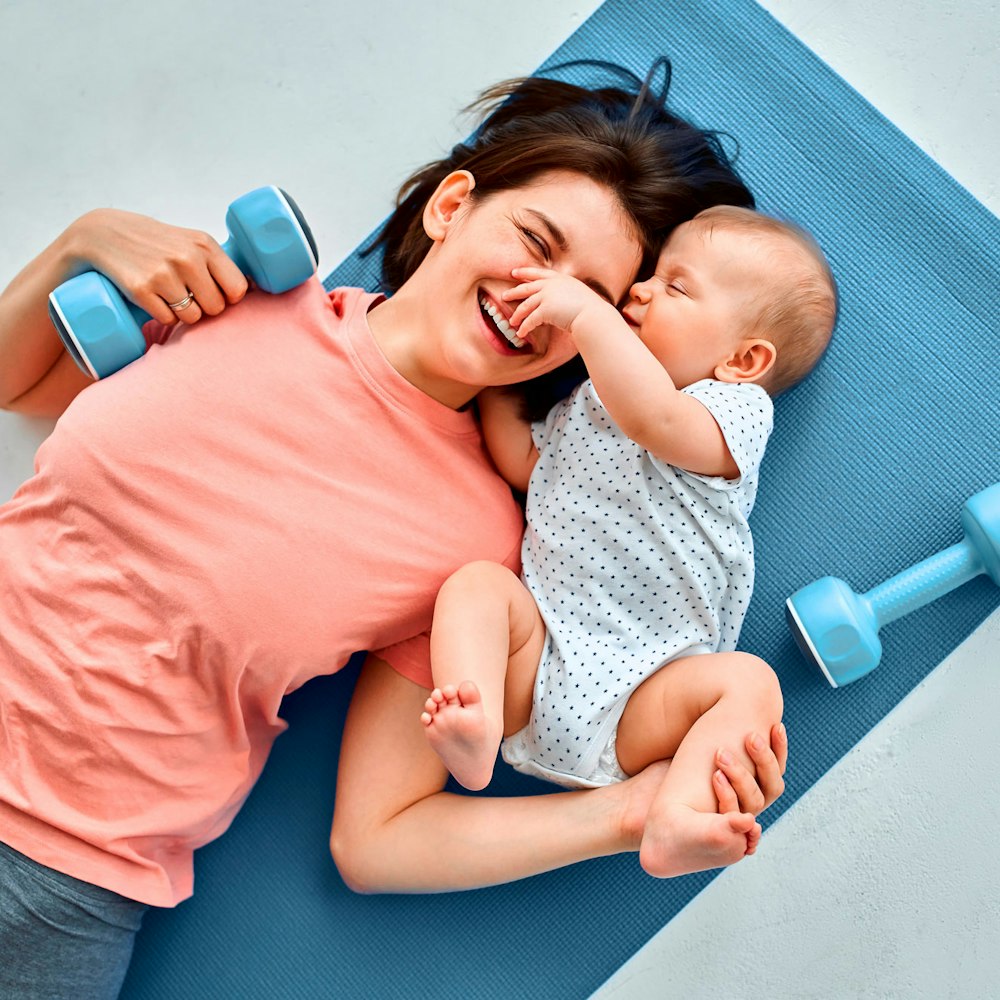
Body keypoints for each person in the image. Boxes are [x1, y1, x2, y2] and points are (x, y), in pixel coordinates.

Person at [0, 64, 788, 998]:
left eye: (592, 296)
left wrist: (629, 814)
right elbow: (19, 386)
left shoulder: (483, 541)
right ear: (453, 206)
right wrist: (80, 242)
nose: (542, 298)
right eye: (536, 244)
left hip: (60, 879)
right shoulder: (240, 301)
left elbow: (378, 839)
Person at [423, 205, 836, 877]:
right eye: (650, 276)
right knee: (477, 587)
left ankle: (676, 815)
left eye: (675, 286)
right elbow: (530, 466)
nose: (639, 291)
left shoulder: (731, 412)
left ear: (742, 360)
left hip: (646, 695)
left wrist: (589, 319)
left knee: (749, 681)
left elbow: (655, 418)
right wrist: (493, 383)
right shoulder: (588, 404)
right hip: (539, 662)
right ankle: (475, 721)